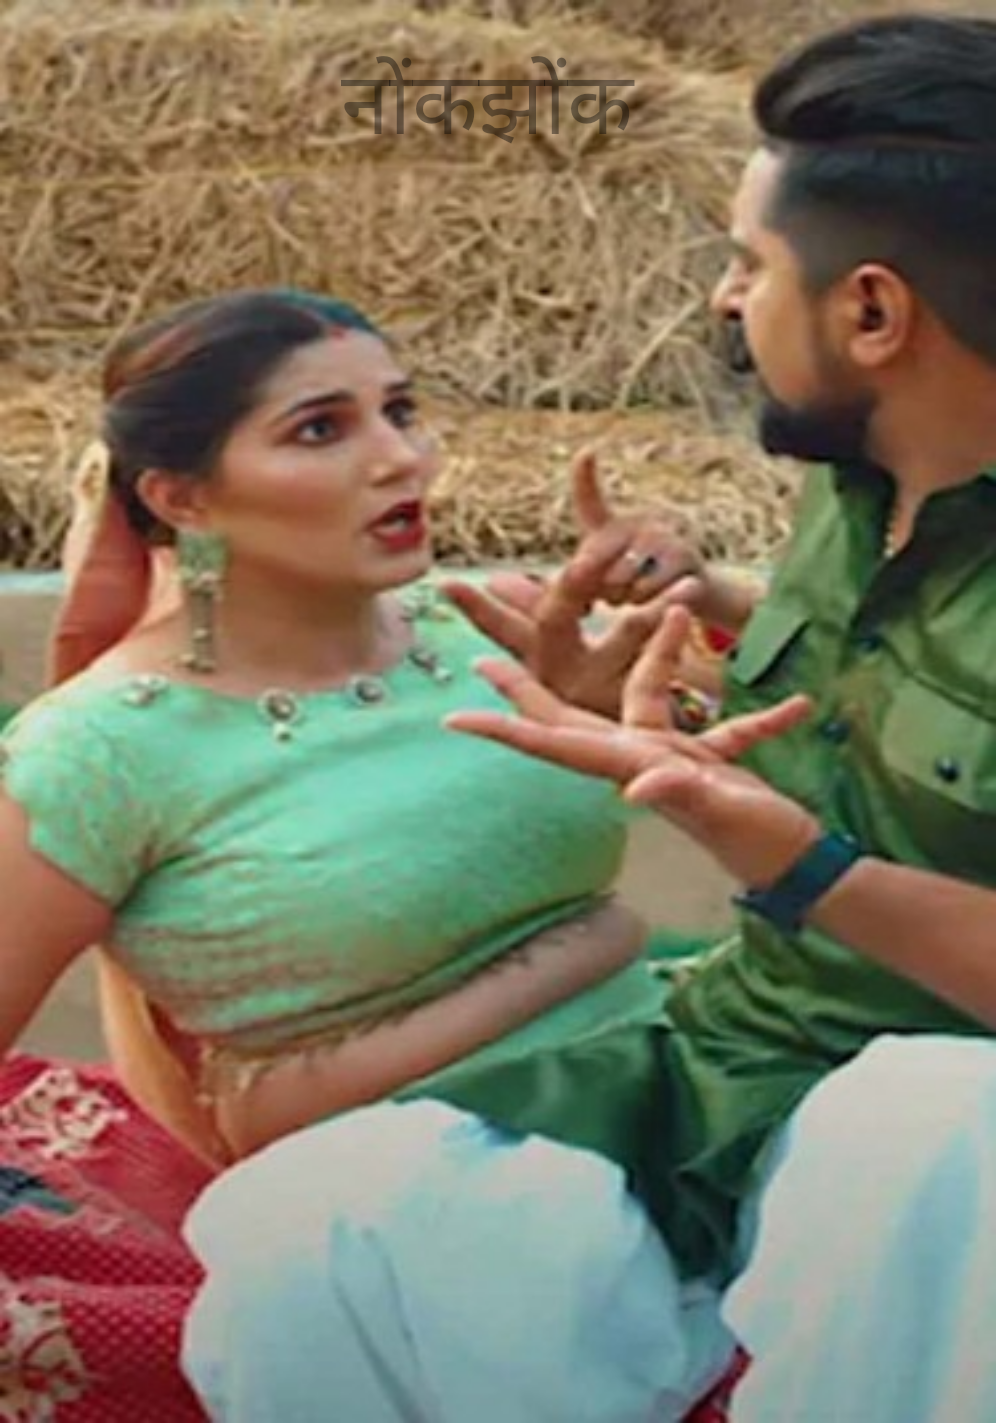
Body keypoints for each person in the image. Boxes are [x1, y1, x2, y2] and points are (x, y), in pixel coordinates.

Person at [0, 287, 801, 1422]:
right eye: (321, 429)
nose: (402, 459)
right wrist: (583, 944)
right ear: (182, 497)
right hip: (424, 1189)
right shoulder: (99, 750)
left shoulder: (477, 625)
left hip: (679, 1086)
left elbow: (836, 752)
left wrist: (679, 636)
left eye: (402, 410)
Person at [444, 11, 996, 1421]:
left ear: (872, 314)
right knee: (333, 1234)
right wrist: (695, 627)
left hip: (949, 1130)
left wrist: (798, 862)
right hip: (738, 1055)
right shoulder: (863, 477)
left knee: (918, 1142)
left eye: (748, 265)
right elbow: (901, 682)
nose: (720, 301)